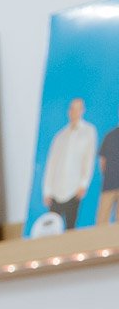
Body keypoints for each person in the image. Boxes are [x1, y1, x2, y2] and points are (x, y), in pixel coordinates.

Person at [42, 97, 98, 230]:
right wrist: (47, 190)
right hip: (56, 190)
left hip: (73, 189)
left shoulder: (88, 132)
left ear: (82, 111)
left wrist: (83, 184)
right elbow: (51, 165)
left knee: (70, 228)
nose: (74, 112)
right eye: (72, 108)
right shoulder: (60, 136)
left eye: (78, 109)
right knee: (53, 228)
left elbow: (88, 159)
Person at [97, 110, 119, 227]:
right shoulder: (109, 135)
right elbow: (102, 161)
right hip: (109, 185)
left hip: (110, 183)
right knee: (102, 219)